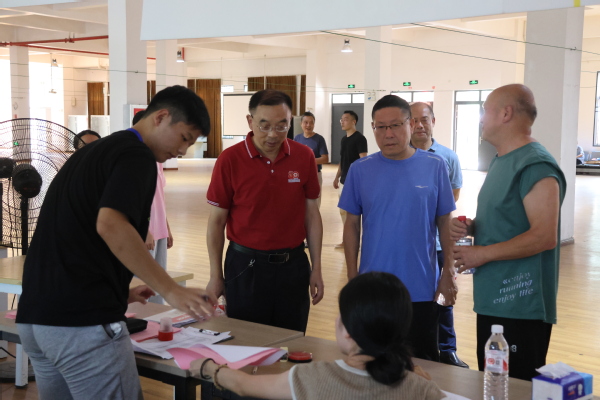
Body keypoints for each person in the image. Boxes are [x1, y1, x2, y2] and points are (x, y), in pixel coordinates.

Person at [16, 85, 214, 399]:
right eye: (184, 138)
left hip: (37, 320)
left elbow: (77, 235)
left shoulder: (93, 152)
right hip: (80, 326)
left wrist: (118, 289)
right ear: (161, 117)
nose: (183, 151)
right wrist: (170, 289)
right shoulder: (136, 155)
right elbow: (111, 225)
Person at [450, 84, 566, 381]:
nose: (481, 118)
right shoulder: (502, 159)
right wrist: (473, 226)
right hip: (493, 298)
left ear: (505, 113)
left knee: (513, 390)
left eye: (484, 111)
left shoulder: (535, 164)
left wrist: (481, 254)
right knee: (492, 386)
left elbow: (544, 236)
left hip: (520, 304)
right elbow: (510, 218)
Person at [190, 272, 445, 400]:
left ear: (348, 331)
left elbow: (243, 384)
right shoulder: (421, 388)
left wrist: (208, 367)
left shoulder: (311, 377)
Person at [339, 94, 457, 361]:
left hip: (421, 288)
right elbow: (352, 225)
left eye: (395, 125)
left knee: (423, 364)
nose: (388, 134)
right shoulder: (360, 170)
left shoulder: (435, 166)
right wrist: (352, 275)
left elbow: (445, 222)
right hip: (374, 288)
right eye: (380, 127)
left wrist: (448, 272)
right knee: (374, 364)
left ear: (410, 124)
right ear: (373, 128)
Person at [205, 89, 324, 333]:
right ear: (250, 121)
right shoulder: (230, 159)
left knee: (291, 339)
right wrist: (216, 275)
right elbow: (216, 222)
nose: (273, 134)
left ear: (290, 122)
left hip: (293, 266)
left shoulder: (304, 157)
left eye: (282, 126)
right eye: (265, 125)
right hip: (245, 266)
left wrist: (317, 267)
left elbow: (312, 215)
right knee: (247, 340)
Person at [410, 102, 467, 369]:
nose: (419, 125)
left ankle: (447, 349)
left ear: (433, 121)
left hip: (439, 243)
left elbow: (451, 199)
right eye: (413, 120)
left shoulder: (447, 157)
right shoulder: (398, 156)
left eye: (424, 119)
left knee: (444, 296)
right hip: (413, 244)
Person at [133, 109, 174, 304]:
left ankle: (157, 318)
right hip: (145, 232)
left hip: (159, 230)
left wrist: (166, 227)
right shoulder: (134, 158)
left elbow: (159, 196)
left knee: (159, 284)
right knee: (142, 284)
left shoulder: (157, 159)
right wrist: (145, 230)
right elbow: (133, 200)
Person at [333, 110, 367, 249]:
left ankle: (354, 241)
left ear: (354, 121)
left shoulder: (360, 138)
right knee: (343, 212)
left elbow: (363, 160)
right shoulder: (344, 139)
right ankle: (346, 240)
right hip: (343, 181)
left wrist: (361, 180)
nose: (342, 121)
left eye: (345, 119)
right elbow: (342, 161)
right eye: (341, 119)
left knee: (352, 214)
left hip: (354, 182)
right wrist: (337, 177)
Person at [294, 111, 329, 208]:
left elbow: (325, 159)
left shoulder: (319, 139)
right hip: (299, 174)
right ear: (301, 124)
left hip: (315, 174)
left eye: (311, 122)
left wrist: (308, 161)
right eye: (306, 122)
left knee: (315, 202)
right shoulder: (297, 138)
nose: (308, 125)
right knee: (300, 201)